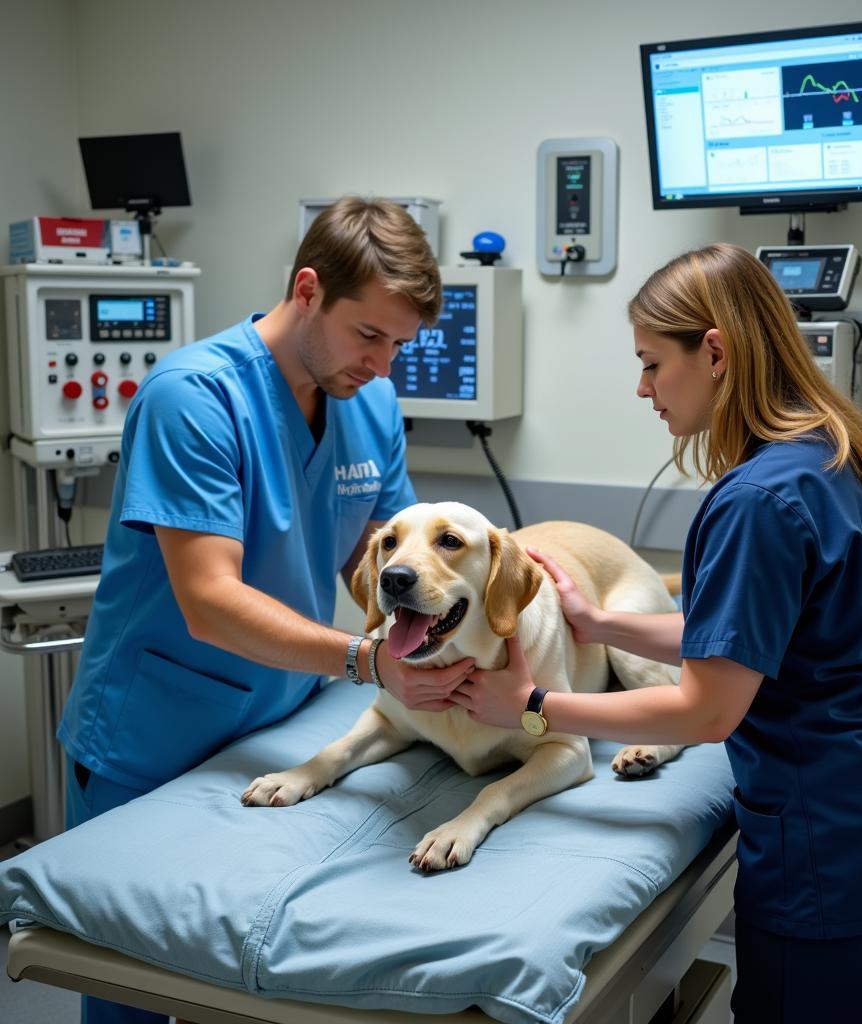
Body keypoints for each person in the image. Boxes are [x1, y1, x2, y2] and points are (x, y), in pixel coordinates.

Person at [451, 243, 862, 1024]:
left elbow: (705, 713)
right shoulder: (836, 450)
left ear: (714, 351)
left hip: (849, 848)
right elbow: (773, 635)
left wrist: (534, 705)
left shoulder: (756, 500)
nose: (641, 388)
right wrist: (601, 622)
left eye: (650, 363)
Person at [58, 197, 473, 1024]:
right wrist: (368, 663)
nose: (383, 367)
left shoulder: (372, 405)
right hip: (151, 743)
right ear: (309, 288)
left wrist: (470, 628)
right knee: (132, 996)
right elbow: (210, 601)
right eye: (369, 336)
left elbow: (387, 562)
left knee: (244, 986)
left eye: (400, 345)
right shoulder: (194, 398)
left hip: (277, 723)